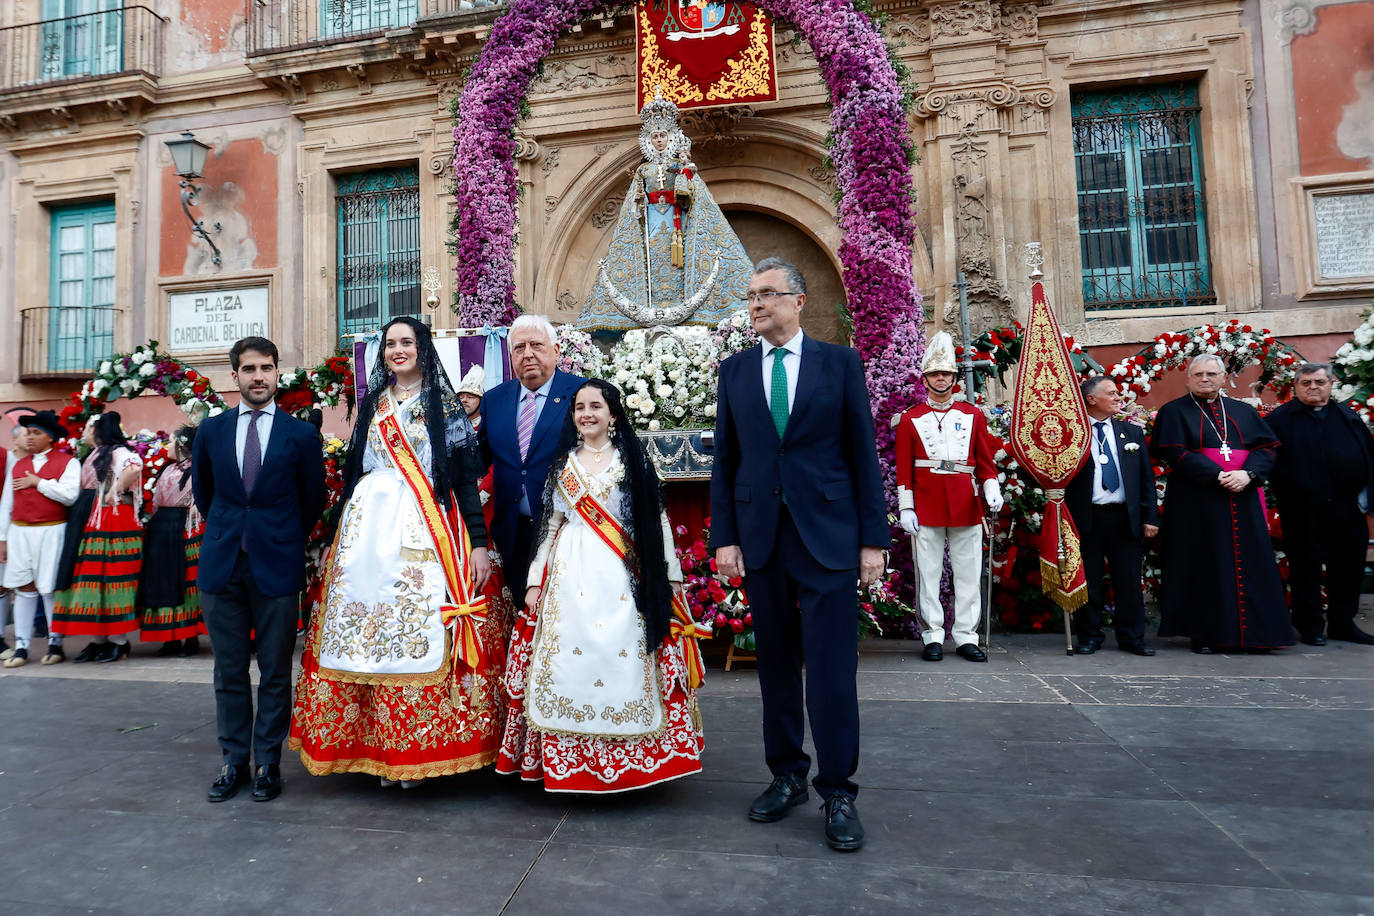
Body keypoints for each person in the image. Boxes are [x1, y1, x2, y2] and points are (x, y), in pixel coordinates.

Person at [710, 257, 889, 852]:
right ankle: (786, 774)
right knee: (776, 666)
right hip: (762, 538)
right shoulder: (734, 372)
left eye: (768, 294)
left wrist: (873, 540)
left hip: (829, 536)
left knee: (833, 669)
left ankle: (838, 790)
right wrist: (725, 537)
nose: (756, 304)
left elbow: (864, 453)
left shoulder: (838, 365)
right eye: (751, 295)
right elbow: (726, 464)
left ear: (799, 300)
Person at [290, 316, 509, 787]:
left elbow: (466, 481)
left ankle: (419, 749)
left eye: (406, 342)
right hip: (366, 537)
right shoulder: (373, 404)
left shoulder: (442, 405)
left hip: (425, 532)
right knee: (365, 632)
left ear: (422, 348)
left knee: (419, 624)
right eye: (390, 344)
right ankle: (371, 745)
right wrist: (335, 544)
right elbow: (353, 480)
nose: (397, 350)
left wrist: (476, 544)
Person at [498, 379, 705, 792]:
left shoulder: (633, 461)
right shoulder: (563, 466)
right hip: (569, 577)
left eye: (595, 406)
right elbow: (551, 527)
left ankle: (634, 765)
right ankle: (568, 763)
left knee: (622, 661)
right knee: (570, 663)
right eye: (579, 407)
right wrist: (535, 581)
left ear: (613, 414)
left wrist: (671, 574)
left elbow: (656, 520)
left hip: (622, 578)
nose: (586, 414)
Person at [192, 336, 326, 803]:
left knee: (273, 671)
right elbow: (206, 496)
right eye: (249, 369)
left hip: (276, 565)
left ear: (277, 373)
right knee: (229, 671)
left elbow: (313, 500)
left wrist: (279, 537)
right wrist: (234, 531)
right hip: (222, 565)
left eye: (266, 368)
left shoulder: (301, 435)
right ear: (235, 376)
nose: (258, 377)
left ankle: (267, 762)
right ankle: (233, 762)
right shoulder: (210, 433)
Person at [1150, 354, 1295, 653]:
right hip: (1196, 500)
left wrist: (1249, 474)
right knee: (1203, 564)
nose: (1205, 379)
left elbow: (1267, 447)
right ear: (1189, 378)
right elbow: (1172, 451)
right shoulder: (1173, 412)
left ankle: (1259, 634)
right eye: (1199, 374)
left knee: (1251, 563)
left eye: (1211, 374)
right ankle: (1205, 633)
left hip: (1243, 496)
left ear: (1223, 377)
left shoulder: (1242, 411)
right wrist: (1217, 475)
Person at [576, 90, 753, 333]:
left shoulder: (679, 166)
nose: (659, 140)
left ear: (671, 137)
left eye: (663, 135)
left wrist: (685, 173)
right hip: (652, 221)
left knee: (678, 261)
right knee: (653, 259)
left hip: (677, 225)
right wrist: (638, 203)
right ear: (648, 140)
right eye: (655, 136)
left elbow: (695, 197)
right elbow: (633, 204)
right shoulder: (643, 171)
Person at [894, 331, 1002, 663]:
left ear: (954, 378)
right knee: (927, 573)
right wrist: (906, 507)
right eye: (934, 374)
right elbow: (904, 469)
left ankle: (967, 636)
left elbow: (984, 462)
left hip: (965, 503)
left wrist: (991, 489)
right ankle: (933, 635)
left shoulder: (973, 415)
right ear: (925, 379)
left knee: (968, 572)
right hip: (925, 505)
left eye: (946, 374)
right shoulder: (910, 419)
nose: (940, 378)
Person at [478, 315, 585, 601]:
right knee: (519, 621)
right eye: (519, 347)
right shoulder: (494, 400)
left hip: (566, 532)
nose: (528, 354)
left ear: (556, 350)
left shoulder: (582, 394)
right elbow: (479, 460)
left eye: (537, 345)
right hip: (511, 534)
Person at [1267, 363, 1374, 646]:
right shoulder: (1280, 419)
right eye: (1306, 383)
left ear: (1330, 384)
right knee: (1306, 567)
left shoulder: (1348, 416)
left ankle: (1342, 623)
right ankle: (1308, 625)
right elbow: (1267, 459)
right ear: (1296, 387)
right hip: (1302, 508)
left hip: (1346, 507)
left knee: (1348, 566)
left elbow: (1368, 455)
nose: (1313, 387)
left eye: (1319, 381)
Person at [1065, 376, 1160, 656]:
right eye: (1112, 393)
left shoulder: (1130, 434)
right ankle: (1089, 635)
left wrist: (1150, 516)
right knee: (1089, 580)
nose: (1118, 397)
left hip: (1124, 517)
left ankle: (1132, 637)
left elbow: (1145, 479)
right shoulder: (1075, 435)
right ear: (1091, 399)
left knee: (1129, 580)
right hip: (1088, 516)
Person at [51, 411, 144, 663]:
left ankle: (119, 641)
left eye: (87, 428)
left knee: (112, 576)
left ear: (96, 430)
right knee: (94, 577)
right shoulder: (95, 453)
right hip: (95, 518)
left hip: (111, 519)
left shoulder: (115, 451)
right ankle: (100, 639)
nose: (83, 432)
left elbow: (135, 466)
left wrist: (114, 489)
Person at [0, 411, 78, 668]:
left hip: (52, 530)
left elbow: (70, 495)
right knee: (23, 588)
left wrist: (38, 482)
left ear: (50, 437)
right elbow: (6, 504)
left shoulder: (67, 462)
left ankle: (55, 643)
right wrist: (2, 537)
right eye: (28, 433)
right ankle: (21, 646)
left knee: (48, 588)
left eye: (36, 433)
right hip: (21, 531)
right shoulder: (18, 465)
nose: (30, 437)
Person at [137, 425, 206, 657]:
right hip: (163, 526)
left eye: (171, 441)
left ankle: (190, 637)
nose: (167, 446)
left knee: (186, 581)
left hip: (186, 527)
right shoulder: (168, 470)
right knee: (164, 579)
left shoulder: (199, 470)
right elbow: (156, 501)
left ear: (180, 445)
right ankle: (170, 637)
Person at [457, 365, 485, 431]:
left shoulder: (488, 427)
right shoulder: (452, 427)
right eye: (461, 397)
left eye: (470, 397)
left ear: (481, 401)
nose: (464, 400)